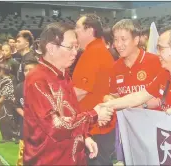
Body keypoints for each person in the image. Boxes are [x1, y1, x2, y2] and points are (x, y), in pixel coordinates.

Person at [23, 22, 114, 165]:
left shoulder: (63, 74)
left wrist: (85, 136)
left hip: (70, 156)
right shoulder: (37, 79)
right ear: (51, 48)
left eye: (76, 47)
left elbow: (71, 112)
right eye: (70, 47)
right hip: (49, 159)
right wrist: (94, 114)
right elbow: (55, 125)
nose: (75, 52)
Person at [101, 25, 171, 118]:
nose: (158, 53)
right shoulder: (165, 75)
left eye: (161, 49)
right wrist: (107, 105)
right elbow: (139, 97)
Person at [104, 19, 162, 164]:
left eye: (123, 39)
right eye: (116, 39)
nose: (118, 44)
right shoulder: (115, 67)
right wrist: (108, 98)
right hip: (128, 130)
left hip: (154, 130)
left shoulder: (155, 62)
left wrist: (142, 105)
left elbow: (165, 98)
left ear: (136, 40)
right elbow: (115, 95)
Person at [73, 14, 115, 165]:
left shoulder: (93, 53)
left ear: (89, 30)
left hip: (94, 126)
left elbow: (80, 91)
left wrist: (61, 108)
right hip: (97, 124)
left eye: (77, 27)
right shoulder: (97, 50)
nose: (75, 30)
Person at [14, 59, 38, 166]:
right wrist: (27, 116)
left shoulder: (45, 86)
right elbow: (16, 106)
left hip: (43, 131)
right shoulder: (19, 87)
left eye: (31, 69)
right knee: (23, 157)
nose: (28, 72)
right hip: (26, 128)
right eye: (25, 70)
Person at [0, 62, 18, 143]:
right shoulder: (2, 80)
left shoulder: (8, 80)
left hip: (7, 103)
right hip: (2, 104)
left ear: (2, 71)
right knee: (2, 120)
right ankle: (6, 137)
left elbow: (5, 94)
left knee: (8, 120)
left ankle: (15, 136)